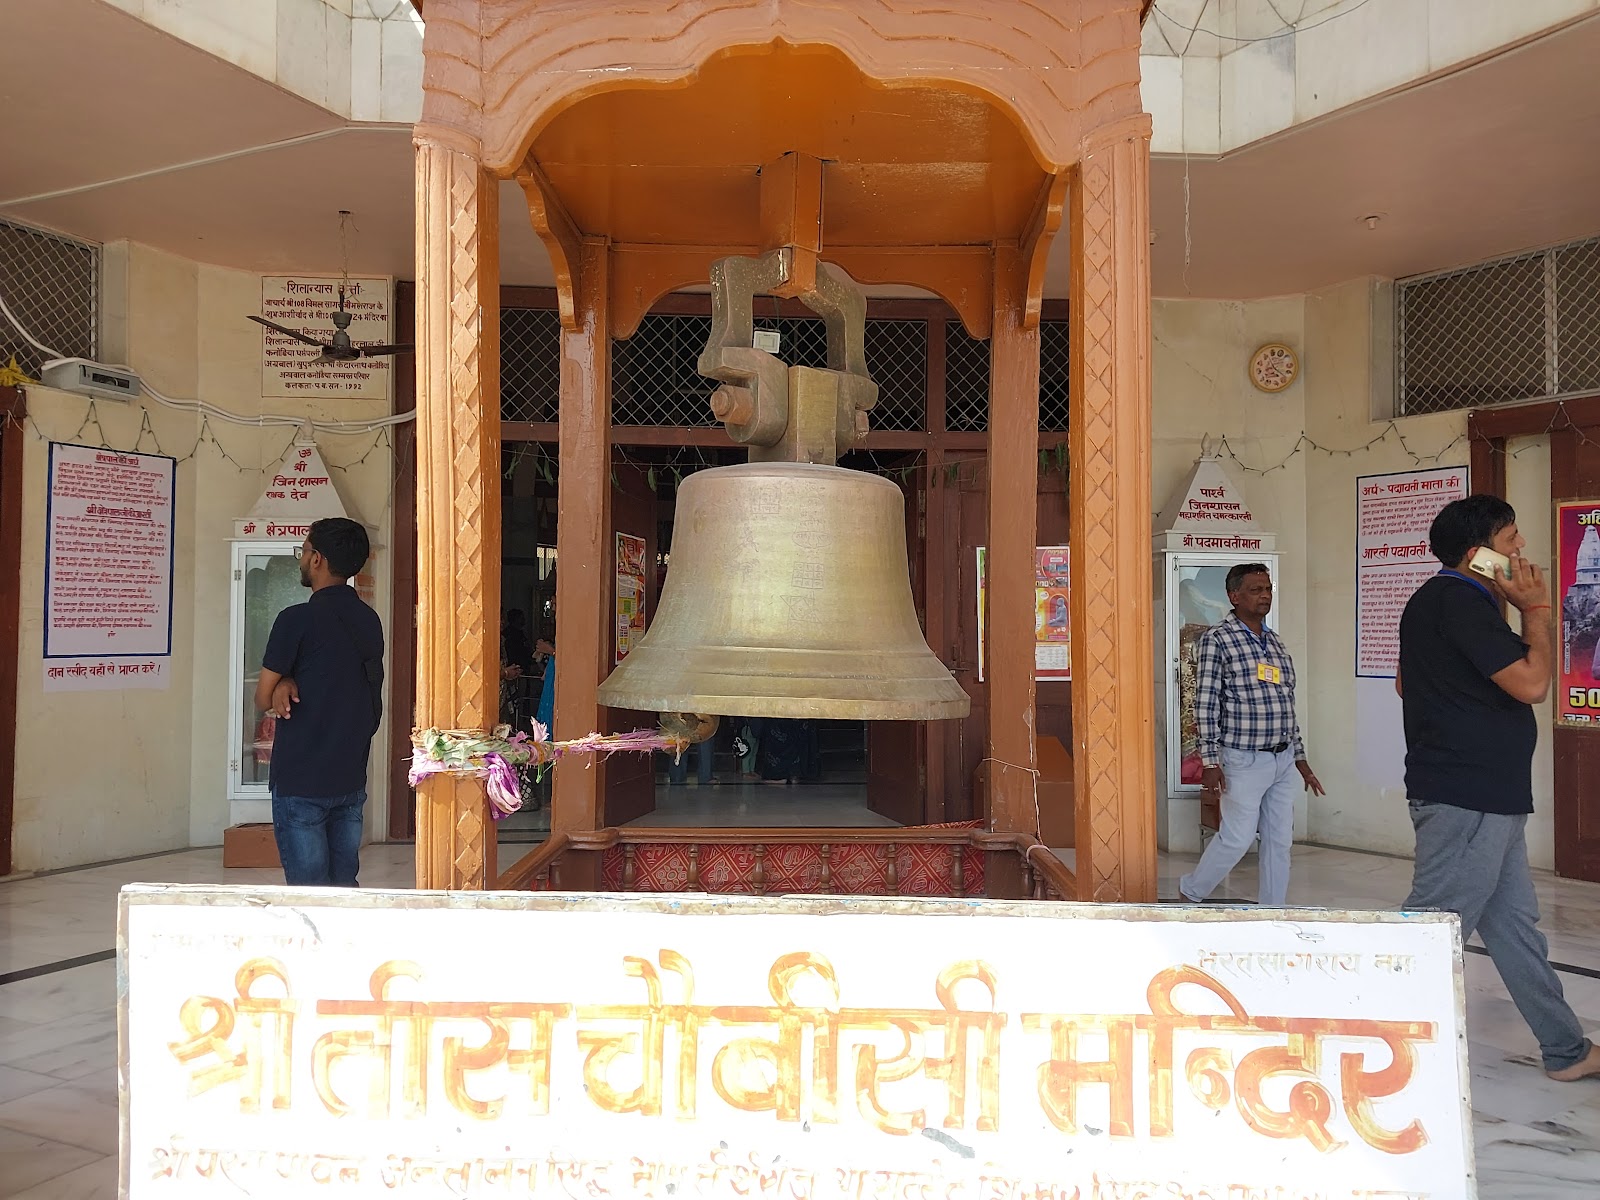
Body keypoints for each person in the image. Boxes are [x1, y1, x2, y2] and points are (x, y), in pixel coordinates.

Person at [1397, 495, 1600, 1082]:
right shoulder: (1458, 602)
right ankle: (1366, 1042)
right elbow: (1533, 684)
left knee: (1513, 929)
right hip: (1468, 795)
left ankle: (1566, 1049)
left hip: (1489, 794)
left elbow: (1408, 683)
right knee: (1432, 929)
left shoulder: (1451, 601)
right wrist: (1536, 610)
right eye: (1511, 540)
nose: (1522, 549)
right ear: (1478, 555)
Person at [1179, 563, 1324, 905]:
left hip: (1283, 759)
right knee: (1237, 838)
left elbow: (1285, 703)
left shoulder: (1275, 643)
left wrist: (1300, 759)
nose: (1265, 596)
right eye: (1256, 590)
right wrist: (1210, 762)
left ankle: (1273, 910)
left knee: (1279, 841)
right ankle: (1191, 891)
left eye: (1268, 589)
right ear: (1234, 596)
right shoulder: (1218, 640)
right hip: (1243, 759)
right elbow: (1206, 703)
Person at [255, 518, 384, 888]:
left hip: (301, 781)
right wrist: (288, 679)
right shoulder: (368, 620)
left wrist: (283, 682)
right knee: (344, 889)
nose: (302, 559)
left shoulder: (296, 619)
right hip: (349, 777)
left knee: (309, 895)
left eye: (305, 551)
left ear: (317, 559)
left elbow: (262, 697)